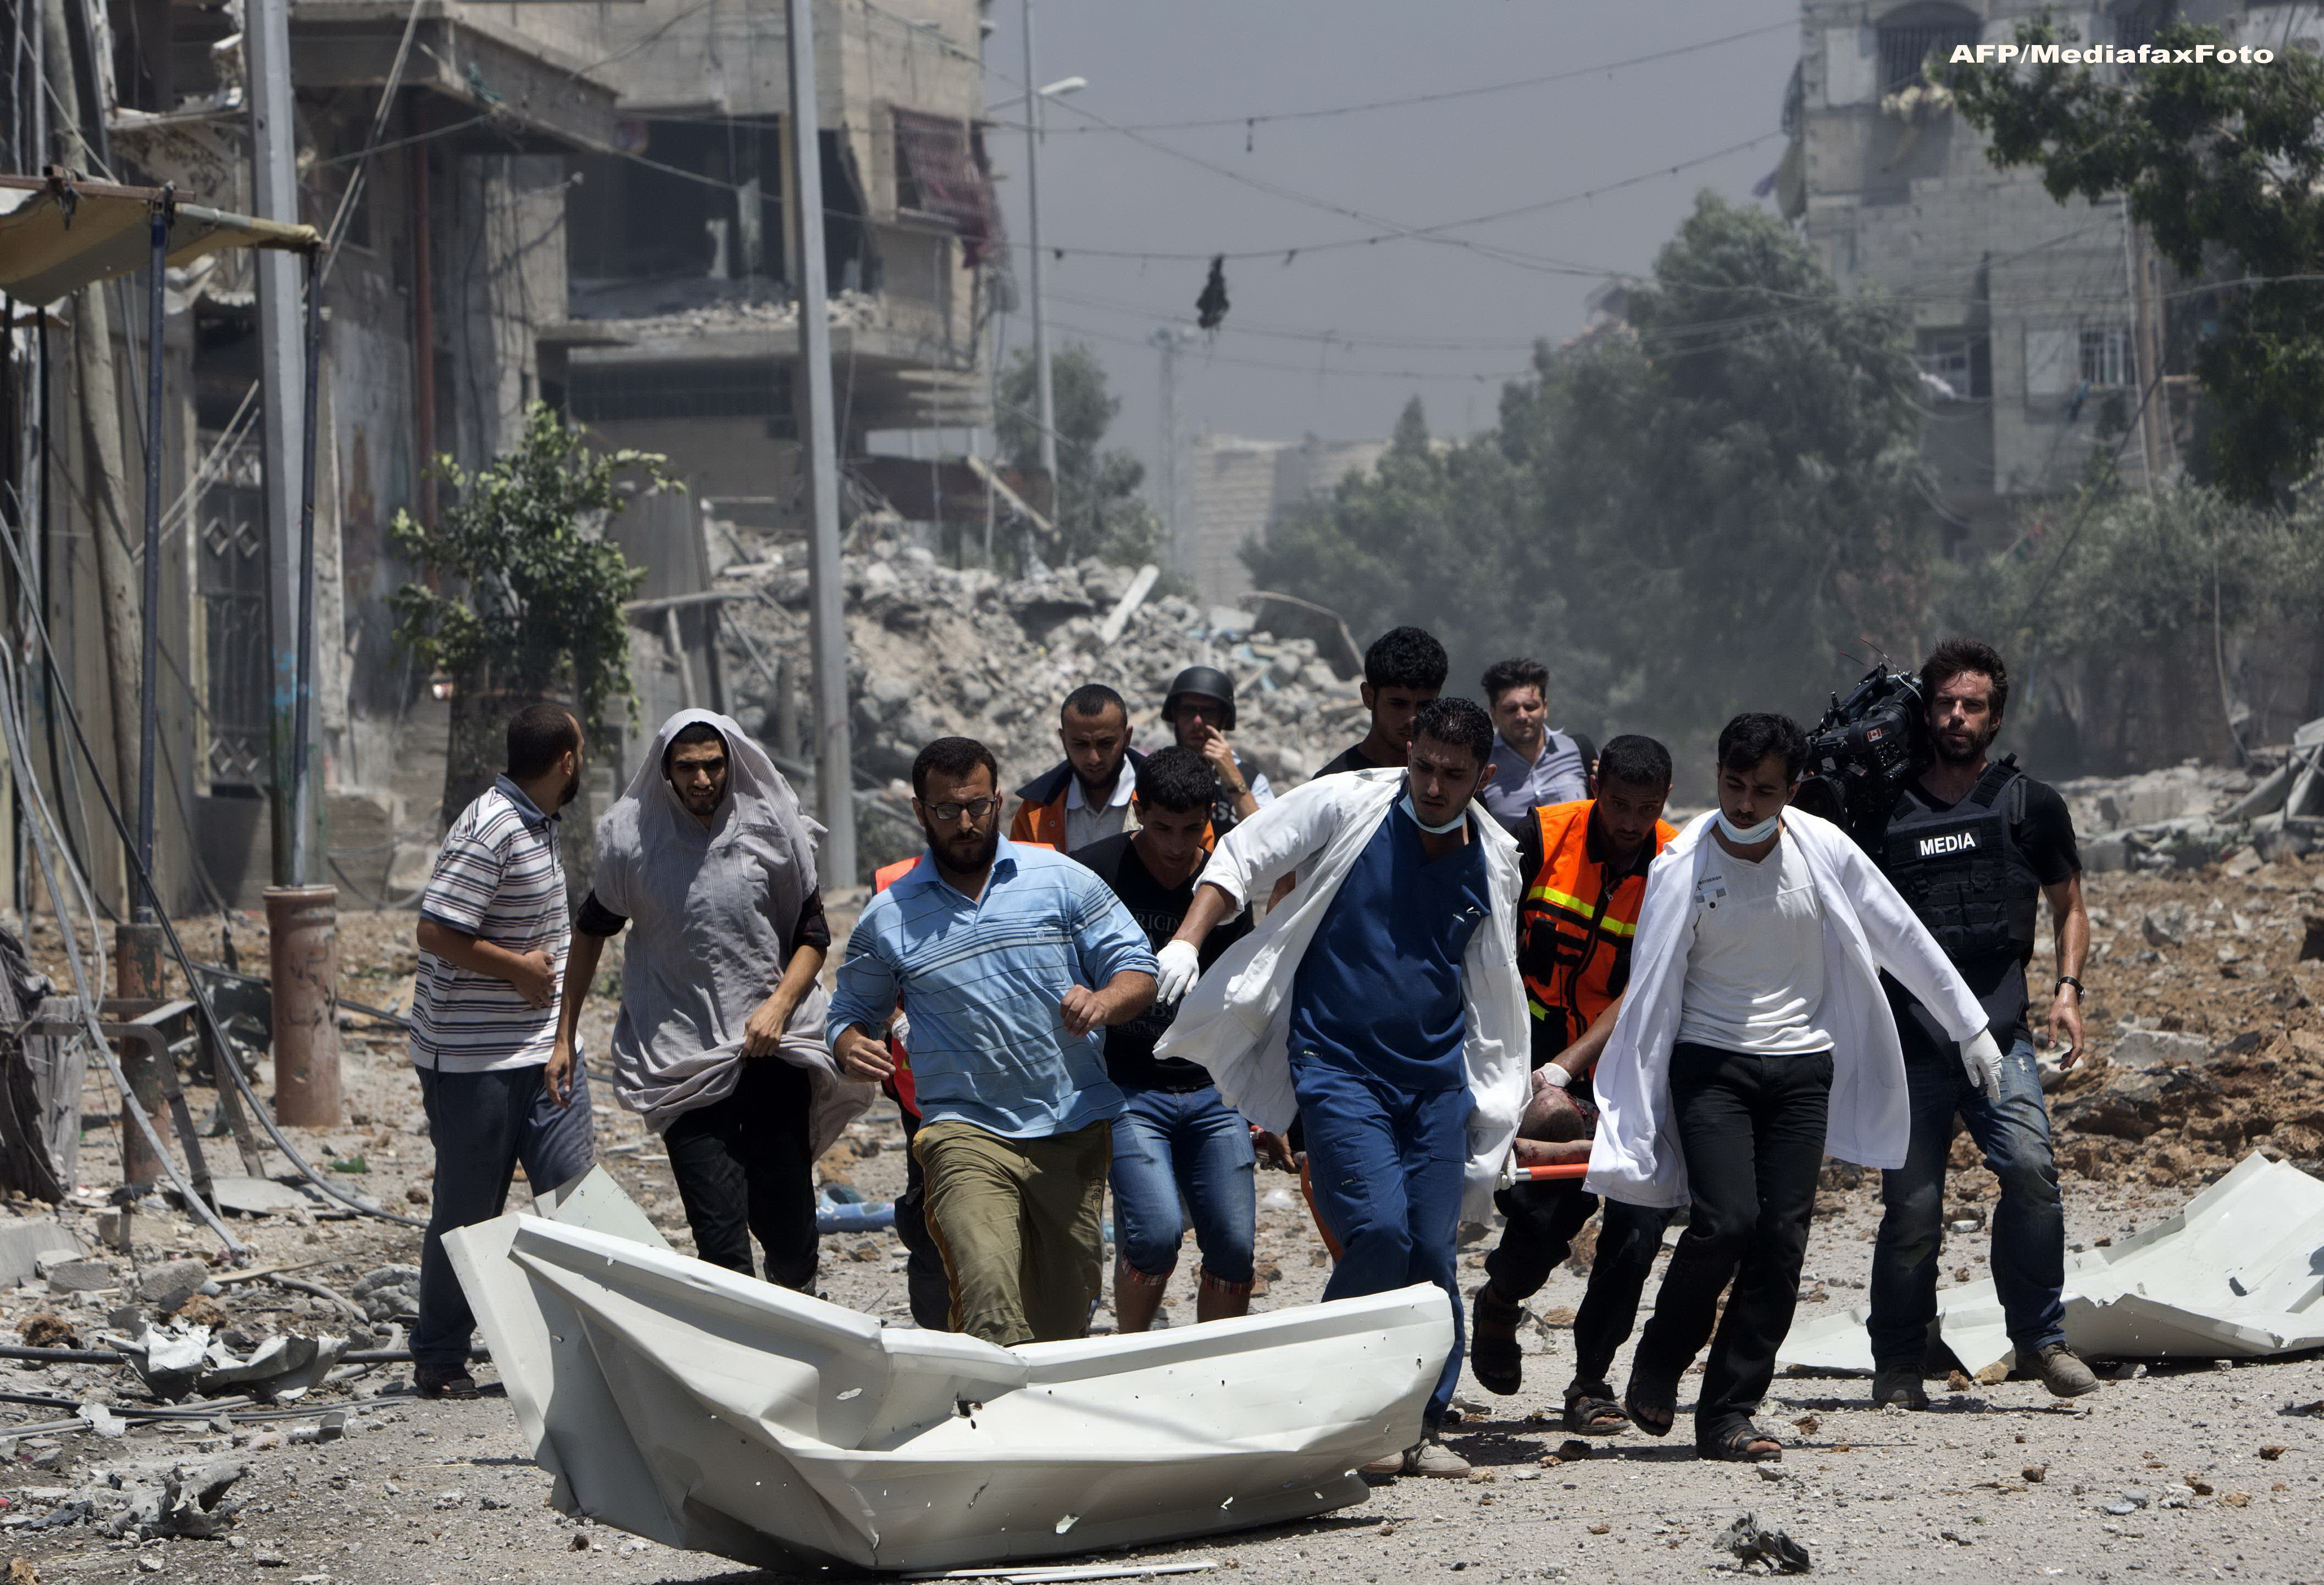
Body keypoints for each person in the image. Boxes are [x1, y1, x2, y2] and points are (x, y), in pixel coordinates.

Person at [1588, 713, 1996, 1461]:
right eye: (1733, 786)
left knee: (1782, 1242)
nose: (1744, 804)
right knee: (1726, 1222)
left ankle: (1729, 1414)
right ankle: (1661, 1354)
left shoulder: (1823, 849)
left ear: (1791, 790)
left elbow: (1899, 932)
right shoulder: (1684, 862)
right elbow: (1647, 989)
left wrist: (1968, 1025)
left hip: (1803, 1070)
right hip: (1711, 1066)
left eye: (1764, 790)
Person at [1156, 697, 1529, 1478]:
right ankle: (1323, 1402)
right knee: (1381, 1234)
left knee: (1431, 1250)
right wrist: (1188, 943)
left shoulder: (1492, 858)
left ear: (1482, 778)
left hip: (1433, 1082)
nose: (1431, 785)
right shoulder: (1350, 805)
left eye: (1451, 775)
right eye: (1421, 765)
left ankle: (1415, 1424)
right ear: (1410, 754)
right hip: (1337, 1070)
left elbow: (1491, 983)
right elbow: (1243, 856)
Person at [829, 737, 1158, 1346]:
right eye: (947, 809)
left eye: (977, 806)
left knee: (1060, 1321)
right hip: (963, 1129)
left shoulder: (1059, 879)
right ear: (919, 811)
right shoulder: (888, 915)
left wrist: (1103, 1000)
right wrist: (849, 1043)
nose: (964, 822)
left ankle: (1048, 1431)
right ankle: (990, 1428)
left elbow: (1138, 968)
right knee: (987, 1293)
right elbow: (850, 1010)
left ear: (998, 801)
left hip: (1069, 1124)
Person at [554, 710, 869, 1291]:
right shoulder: (632, 837)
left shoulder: (770, 825)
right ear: (666, 772)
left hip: (773, 1048)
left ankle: (797, 1306)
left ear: (730, 764)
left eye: (713, 765)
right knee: (718, 1234)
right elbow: (593, 925)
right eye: (687, 767)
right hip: (682, 1057)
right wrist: (562, 1033)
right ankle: (747, 1361)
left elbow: (812, 936)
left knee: (790, 1230)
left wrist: (777, 1005)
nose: (702, 779)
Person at [1867, 640, 2099, 1405]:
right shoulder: (1883, 807)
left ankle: (2039, 1339)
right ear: (1924, 708)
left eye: (1972, 705)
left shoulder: (2028, 803)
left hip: (2000, 1040)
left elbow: (2069, 905)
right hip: (1908, 1044)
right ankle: (1901, 1360)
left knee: (2031, 1172)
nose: (1956, 716)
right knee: (1911, 1210)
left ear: (1994, 716)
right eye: (1944, 702)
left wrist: (2067, 989)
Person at [1468, 735, 1678, 1434]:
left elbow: (1649, 984)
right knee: (1546, 1216)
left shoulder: (1675, 863)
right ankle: (1501, 1299)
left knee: (1636, 1228)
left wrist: (1570, 1067)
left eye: (1645, 809)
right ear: (1595, 783)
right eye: (1617, 804)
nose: (1628, 822)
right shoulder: (1537, 836)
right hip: (1522, 1055)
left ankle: (1590, 1381)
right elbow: (1480, 933)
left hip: (1623, 1069)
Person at [407, 704, 596, 1400]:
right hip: (470, 1061)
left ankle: (599, 1350)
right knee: (468, 1209)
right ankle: (439, 1355)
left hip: (543, 1053)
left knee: (574, 1195)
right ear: (566, 762)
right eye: (584, 751)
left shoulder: (540, 823)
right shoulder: (488, 827)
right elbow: (435, 931)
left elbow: (562, 940)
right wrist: (516, 969)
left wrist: (563, 1033)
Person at [1071, 747, 1257, 1331]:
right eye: (1160, 828)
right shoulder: (1092, 873)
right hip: (1127, 1085)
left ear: (1208, 817)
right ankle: (1134, 1350)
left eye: (1190, 828)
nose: (1176, 847)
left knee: (1232, 1246)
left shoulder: (1223, 887)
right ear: (1137, 811)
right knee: (1153, 1234)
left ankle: (1211, 1373)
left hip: (1210, 1086)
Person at [1008, 684, 1139, 850]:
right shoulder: (1034, 812)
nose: (1094, 758)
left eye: (1105, 744)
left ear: (1127, 737)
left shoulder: (1158, 798)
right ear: (1063, 739)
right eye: (1081, 745)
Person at [1477, 658, 1594, 830]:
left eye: (1530, 707)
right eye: (1511, 709)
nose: (1522, 716)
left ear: (1545, 708)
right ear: (1493, 714)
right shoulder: (1481, 766)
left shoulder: (1579, 750)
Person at [1315, 626, 1447, 777]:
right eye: (1398, 704)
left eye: (1424, 706)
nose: (1412, 718)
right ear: (1369, 697)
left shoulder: (1447, 784)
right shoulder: (1333, 785)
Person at [1158, 665, 1273, 837]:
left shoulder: (1252, 780)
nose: (1197, 722)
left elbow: (1266, 839)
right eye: (1189, 711)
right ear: (1175, 714)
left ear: (1223, 719)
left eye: (1208, 713)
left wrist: (1233, 777)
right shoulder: (1155, 771)